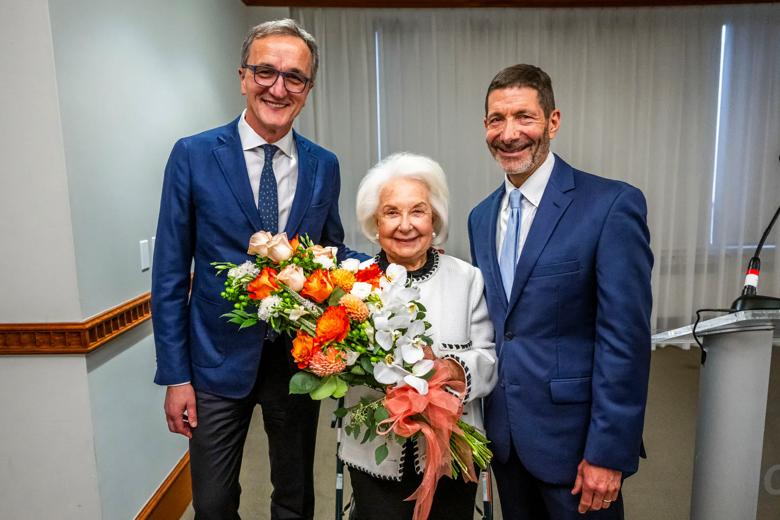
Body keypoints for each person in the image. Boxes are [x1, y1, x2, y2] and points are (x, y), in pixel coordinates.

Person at [152, 19, 363, 519]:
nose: (278, 87)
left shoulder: (323, 164)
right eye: (265, 71)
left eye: (295, 78)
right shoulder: (194, 154)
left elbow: (329, 251)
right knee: (215, 500)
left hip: (297, 358)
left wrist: (394, 263)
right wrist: (176, 376)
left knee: (295, 495)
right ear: (243, 76)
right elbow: (168, 274)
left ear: (308, 90)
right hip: (214, 361)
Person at [468, 64, 653, 519]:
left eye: (524, 117)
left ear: (553, 121)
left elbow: (624, 341)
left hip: (578, 448)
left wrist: (609, 452)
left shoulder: (610, 205)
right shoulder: (480, 217)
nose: (509, 133)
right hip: (507, 441)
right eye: (497, 119)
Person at [340, 152, 498, 520]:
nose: (405, 225)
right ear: (374, 221)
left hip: (453, 450)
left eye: (418, 211)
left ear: (434, 219)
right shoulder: (350, 284)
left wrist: (451, 369)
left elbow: (488, 360)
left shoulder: (466, 278)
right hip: (374, 448)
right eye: (392, 212)